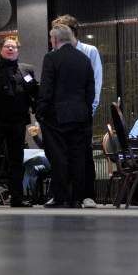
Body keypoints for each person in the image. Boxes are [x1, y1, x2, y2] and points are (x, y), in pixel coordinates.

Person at [36, 24, 94, 208]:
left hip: (56, 117)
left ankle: (60, 196)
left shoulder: (51, 57)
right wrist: (85, 111)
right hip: (80, 115)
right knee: (78, 156)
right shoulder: (84, 59)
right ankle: (78, 197)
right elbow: (90, 90)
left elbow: (47, 87)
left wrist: (41, 110)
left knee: (58, 156)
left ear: (55, 39)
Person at [0, 36, 38, 207]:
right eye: (7, 46)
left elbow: (34, 91)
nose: (11, 49)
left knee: (16, 160)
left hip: (18, 120)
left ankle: (17, 198)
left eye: (14, 47)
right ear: (1, 49)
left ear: (18, 50)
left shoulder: (26, 70)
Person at [51, 15, 102, 208]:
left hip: (82, 111)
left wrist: (90, 110)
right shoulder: (55, 52)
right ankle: (61, 194)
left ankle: (87, 194)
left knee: (84, 155)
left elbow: (96, 82)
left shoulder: (89, 51)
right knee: (60, 155)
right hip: (61, 114)